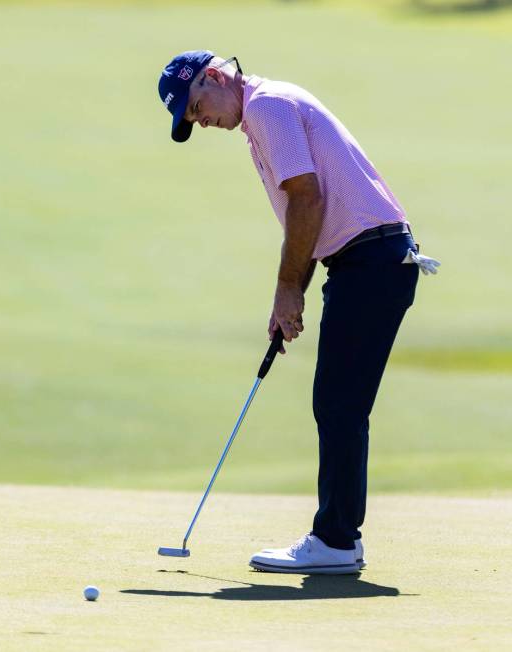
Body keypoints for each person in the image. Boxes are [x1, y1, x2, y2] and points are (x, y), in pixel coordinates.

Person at [158, 50, 440, 574]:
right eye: (194, 120)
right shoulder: (262, 116)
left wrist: (289, 286)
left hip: (370, 261)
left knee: (338, 404)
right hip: (364, 262)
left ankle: (335, 542)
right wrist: (292, 295)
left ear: (217, 77)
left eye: (199, 107)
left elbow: (307, 200)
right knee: (339, 403)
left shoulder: (267, 107)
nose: (204, 122)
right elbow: (305, 217)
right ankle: (337, 539)